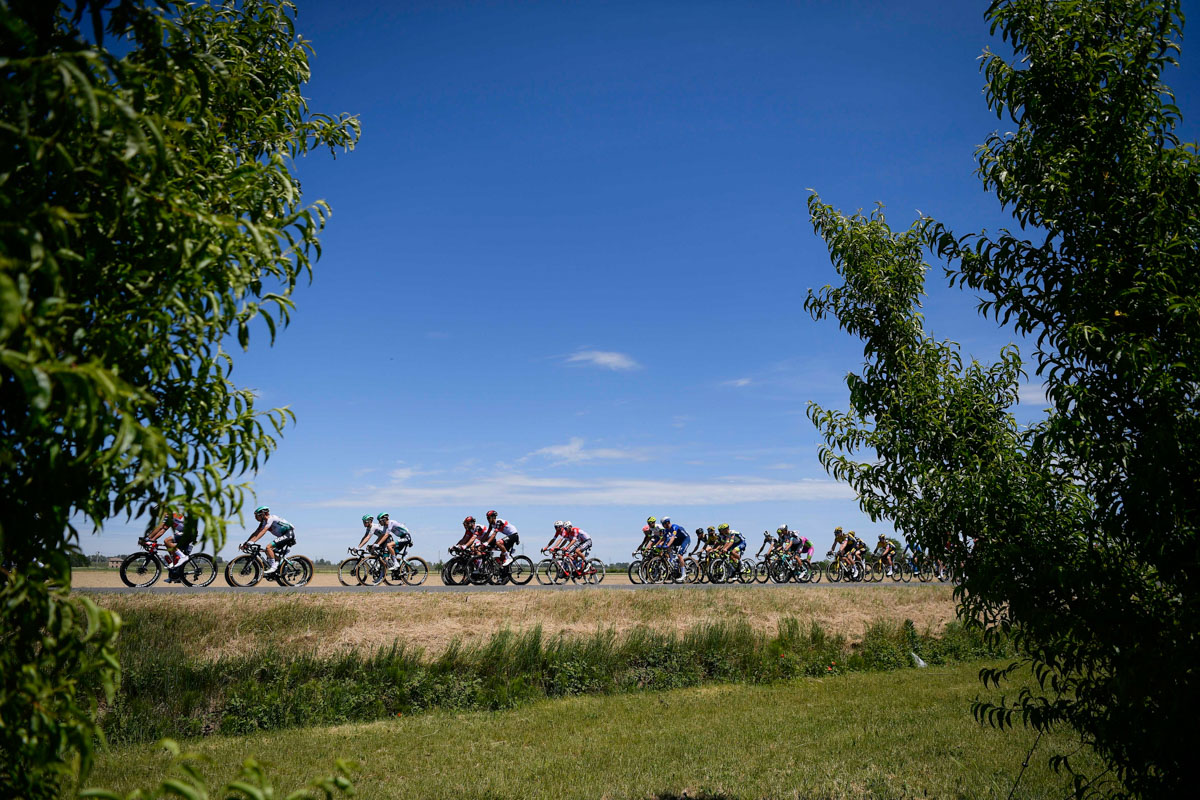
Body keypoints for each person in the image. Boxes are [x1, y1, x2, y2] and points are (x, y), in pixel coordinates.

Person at [243, 505, 295, 575]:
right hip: (283, 536)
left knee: (268, 547)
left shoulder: (271, 518)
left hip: (288, 534)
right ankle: (280, 563)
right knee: (267, 551)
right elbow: (256, 533)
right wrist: (246, 542)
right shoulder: (263, 522)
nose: (255, 518)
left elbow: (263, 531)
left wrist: (252, 542)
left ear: (263, 514)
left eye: (257, 516)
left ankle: (273, 567)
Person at [659, 515, 689, 582]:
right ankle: (673, 560)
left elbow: (672, 538)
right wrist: (659, 545)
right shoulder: (667, 529)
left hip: (685, 539)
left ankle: (683, 575)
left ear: (667, 523)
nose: (663, 526)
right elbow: (663, 539)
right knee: (668, 546)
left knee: (679, 555)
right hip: (678, 540)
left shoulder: (674, 527)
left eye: (663, 524)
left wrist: (667, 545)